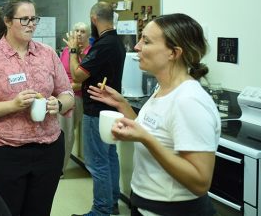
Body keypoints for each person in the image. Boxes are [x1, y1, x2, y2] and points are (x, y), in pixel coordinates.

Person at [87, 13, 219, 216]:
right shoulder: (163, 88)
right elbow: (154, 131)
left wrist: (146, 139)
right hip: (145, 205)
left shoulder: (189, 101)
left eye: (146, 41)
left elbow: (200, 182)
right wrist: (122, 104)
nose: (137, 46)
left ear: (173, 53)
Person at [0, 0, 75, 216]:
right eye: (24, 19)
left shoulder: (47, 54)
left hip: (48, 151)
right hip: (3, 152)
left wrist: (59, 104)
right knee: (6, 211)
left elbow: (67, 92)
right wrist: (13, 105)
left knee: (39, 211)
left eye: (34, 19)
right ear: (7, 21)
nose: (31, 24)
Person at [66, 2, 125, 216]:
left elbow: (78, 74)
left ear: (93, 19)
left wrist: (73, 50)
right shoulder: (116, 42)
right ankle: (112, 204)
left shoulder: (103, 45)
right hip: (111, 109)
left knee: (97, 163)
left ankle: (101, 211)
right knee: (109, 157)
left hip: (96, 112)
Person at [59, 22, 91, 175]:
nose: (78, 34)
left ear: (88, 35)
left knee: (66, 134)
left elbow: (81, 82)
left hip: (75, 97)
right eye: (76, 30)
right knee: (58, 133)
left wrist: (64, 89)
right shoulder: (66, 51)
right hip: (60, 95)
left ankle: (59, 170)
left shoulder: (90, 53)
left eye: (83, 31)